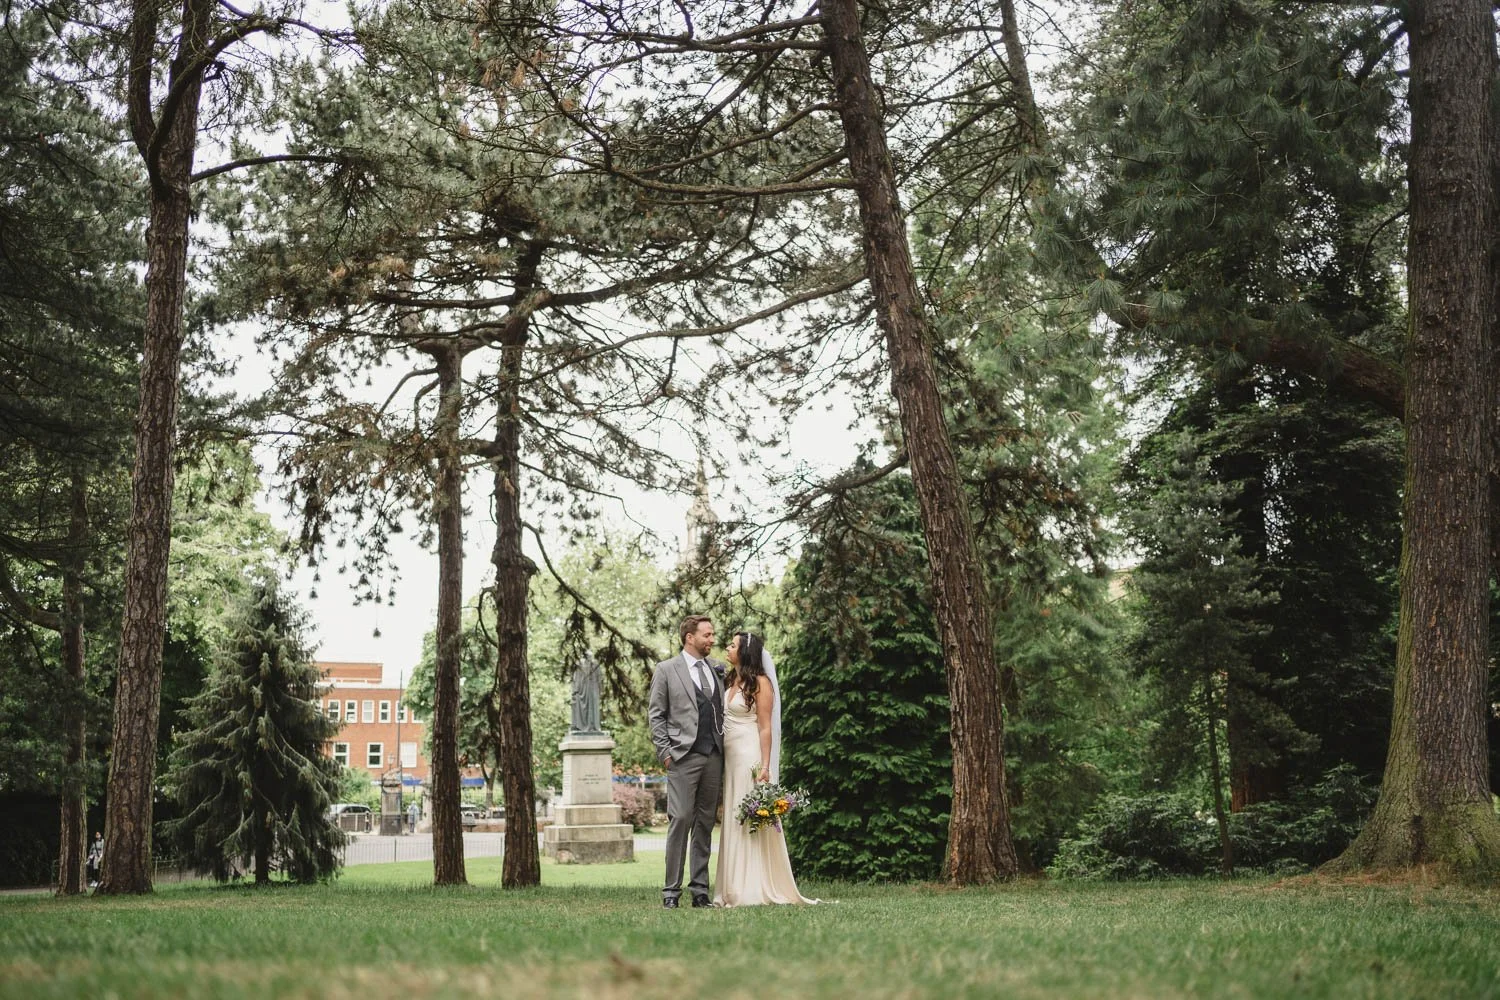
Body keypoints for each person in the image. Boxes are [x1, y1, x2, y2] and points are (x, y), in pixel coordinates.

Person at [714, 630, 816, 907]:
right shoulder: (730, 680)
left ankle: (751, 885)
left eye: (732, 645)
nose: (727, 647)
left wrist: (766, 766)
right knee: (732, 814)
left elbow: (765, 727)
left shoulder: (761, 683)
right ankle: (730, 885)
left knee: (746, 816)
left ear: (744, 652)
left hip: (749, 755)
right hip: (730, 757)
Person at [648, 614, 724, 909]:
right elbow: (656, 714)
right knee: (680, 819)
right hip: (681, 756)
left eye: (712, 634)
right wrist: (665, 753)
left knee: (705, 822)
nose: (712, 639)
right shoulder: (666, 669)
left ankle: (700, 891)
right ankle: (671, 891)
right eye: (707, 635)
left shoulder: (717, 669)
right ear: (689, 637)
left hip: (714, 756)